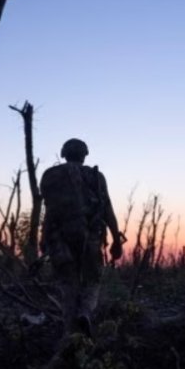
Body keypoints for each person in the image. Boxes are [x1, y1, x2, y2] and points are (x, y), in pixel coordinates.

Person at [40, 138, 124, 336]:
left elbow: (49, 211)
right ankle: (85, 312)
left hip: (59, 239)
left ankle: (70, 331)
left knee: (68, 283)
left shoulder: (50, 175)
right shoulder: (95, 176)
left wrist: (44, 238)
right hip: (90, 238)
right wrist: (117, 240)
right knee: (92, 281)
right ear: (85, 154)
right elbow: (107, 209)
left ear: (64, 153)